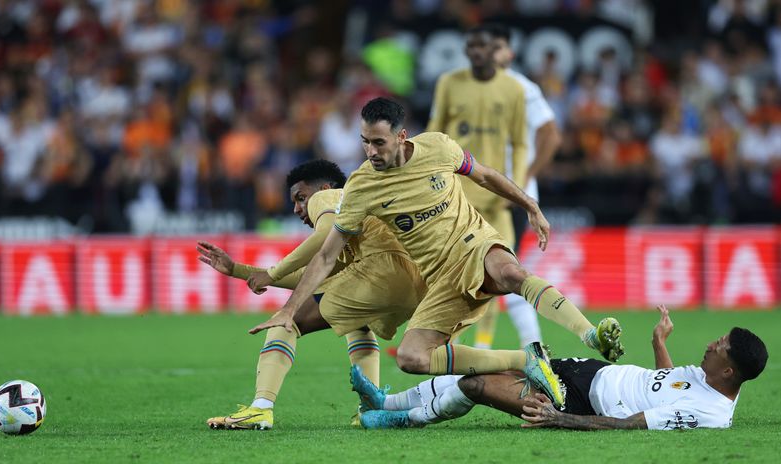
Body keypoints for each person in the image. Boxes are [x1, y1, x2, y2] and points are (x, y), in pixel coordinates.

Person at [250, 97, 624, 408]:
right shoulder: (363, 185)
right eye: (365, 141)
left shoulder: (439, 147)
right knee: (413, 358)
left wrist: (529, 205)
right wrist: (287, 310)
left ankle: (591, 334)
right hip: (439, 278)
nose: (370, 151)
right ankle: (527, 359)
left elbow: (485, 174)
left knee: (511, 274)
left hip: (474, 243)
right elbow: (327, 256)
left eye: (378, 142)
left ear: (401, 136)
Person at [198, 159, 426, 430]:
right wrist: (238, 269)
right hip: (415, 282)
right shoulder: (357, 219)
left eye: (301, 198)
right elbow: (312, 276)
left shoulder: (330, 196)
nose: (297, 208)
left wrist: (272, 273)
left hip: (383, 271)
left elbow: (324, 236)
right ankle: (372, 409)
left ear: (324, 188)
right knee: (357, 324)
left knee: (287, 321)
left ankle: (260, 408)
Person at [353, 305, 768, 431]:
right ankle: (385, 399)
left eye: (721, 347)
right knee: (494, 360)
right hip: (584, 370)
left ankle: (403, 419)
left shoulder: (710, 415)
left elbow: (634, 424)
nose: (713, 344)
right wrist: (659, 343)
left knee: (476, 384)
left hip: (578, 400)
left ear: (729, 371)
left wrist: (559, 417)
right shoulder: (706, 379)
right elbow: (667, 382)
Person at [425, 24, 529, 350]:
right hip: (458, 197)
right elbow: (434, 131)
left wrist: (519, 188)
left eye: (482, 46)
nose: (476, 52)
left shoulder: (513, 89)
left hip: (496, 199)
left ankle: (482, 345)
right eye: (470, 46)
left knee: (504, 272)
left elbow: (520, 143)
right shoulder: (449, 84)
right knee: (455, 274)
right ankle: (447, 344)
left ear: (495, 49)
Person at [489, 24, 562, 349]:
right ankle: (464, 347)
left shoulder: (522, 88)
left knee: (504, 269)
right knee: (476, 268)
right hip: (477, 193)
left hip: (512, 197)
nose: (491, 53)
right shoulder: (463, 86)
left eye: (498, 46)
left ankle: (532, 345)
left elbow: (551, 134)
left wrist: (525, 178)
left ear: (509, 53)